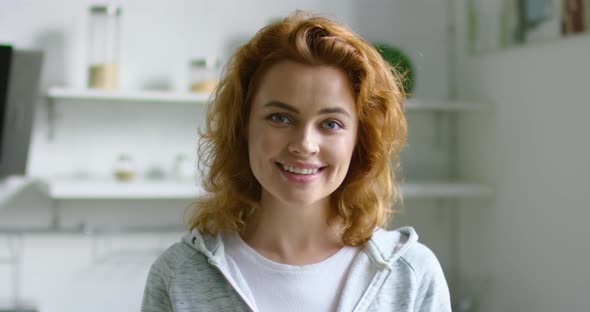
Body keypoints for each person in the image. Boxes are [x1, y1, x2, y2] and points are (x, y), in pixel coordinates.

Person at [141, 11, 451, 312]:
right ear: (243, 127)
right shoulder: (177, 277)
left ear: (360, 140)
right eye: (280, 118)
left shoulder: (411, 276)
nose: (304, 144)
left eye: (331, 123)